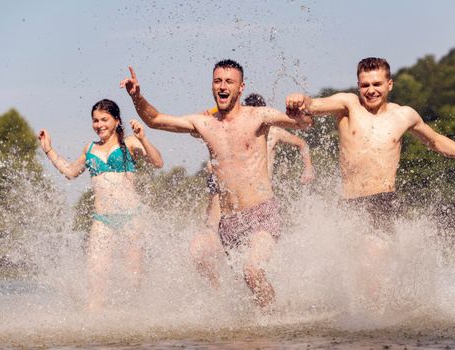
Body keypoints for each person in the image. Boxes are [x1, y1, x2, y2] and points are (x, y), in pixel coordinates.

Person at [120, 60, 312, 308]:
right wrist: (137, 97)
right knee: (224, 270)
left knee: (252, 270)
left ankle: (273, 322)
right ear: (212, 85)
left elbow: (304, 122)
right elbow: (156, 120)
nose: (222, 86)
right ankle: (243, 321)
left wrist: (301, 104)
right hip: (229, 223)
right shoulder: (204, 124)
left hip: (262, 213)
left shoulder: (259, 116)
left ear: (241, 87)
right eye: (218, 81)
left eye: (229, 82)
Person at [286, 57, 455, 231]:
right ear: (358, 86)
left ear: (389, 84)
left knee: (373, 258)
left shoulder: (404, 115)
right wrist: (300, 99)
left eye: (377, 84)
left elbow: (435, 141)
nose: (371, 90)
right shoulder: (347, 104)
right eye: (365, 85)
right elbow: (313, 104)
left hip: (382, 201)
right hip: (348, 205)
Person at [37, 99, 164, 311]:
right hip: (102, 221)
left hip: (131, 219)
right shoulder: (90, 148)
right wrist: (49, 150)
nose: (99, 125)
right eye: (95, 121)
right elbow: (70, 172)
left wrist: (144, 138)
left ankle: (134, 324)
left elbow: (158, 163)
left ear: (116, 121)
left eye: (104, 119)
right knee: (95, 278)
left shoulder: (130, 143)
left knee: (132, 281)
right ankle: (94, 326)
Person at [189, 93, 315, 289]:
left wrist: (308, 167)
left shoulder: (274, 131)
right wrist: (203, 117)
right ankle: (218, 288)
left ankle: (258, 281)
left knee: (251, 264)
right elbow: (196, 131)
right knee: (217, 239)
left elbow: (303, 143)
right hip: (228, 190)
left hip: (258, 195)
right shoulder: (227, 127)